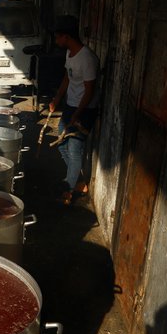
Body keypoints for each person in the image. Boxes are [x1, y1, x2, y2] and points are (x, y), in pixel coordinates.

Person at [49, 15, 100, 205]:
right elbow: (67, 78)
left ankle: (67, 189)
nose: (56, 41)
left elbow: (89, 91)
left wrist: (77, 116)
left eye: (58, 37)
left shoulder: (87, 58)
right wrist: (57, 99)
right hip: (71, 106)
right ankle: (77, 181)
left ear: (67, 37)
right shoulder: (70, 54)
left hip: (85, 110)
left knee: (75, 149)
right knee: (62, 144)